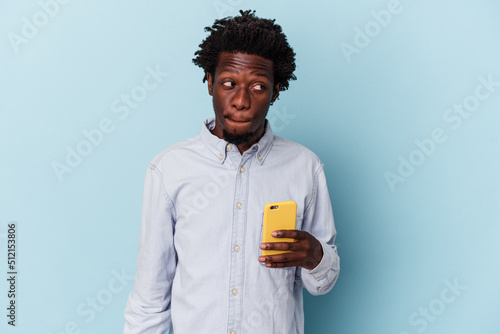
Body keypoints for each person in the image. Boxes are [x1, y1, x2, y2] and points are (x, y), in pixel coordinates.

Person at [124, 9, 340, 334]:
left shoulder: (305, 167)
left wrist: (316, 256)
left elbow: (321, 284)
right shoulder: (169, 169)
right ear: (210, 82)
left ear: (276, 91)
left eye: (258, 87)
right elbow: (149, 298)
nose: (241, 100)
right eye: (229, 83)